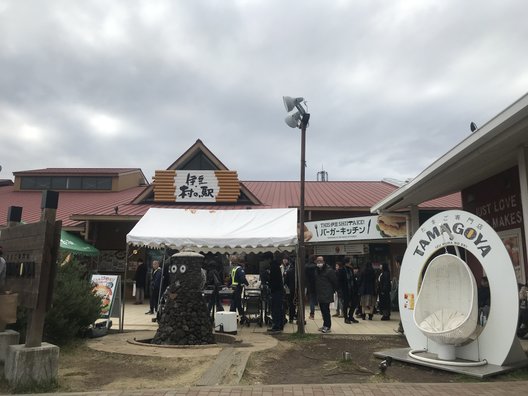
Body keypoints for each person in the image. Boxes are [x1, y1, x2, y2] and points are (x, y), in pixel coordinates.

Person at [314, 256, 337, 333]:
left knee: (326, 310)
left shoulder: (329, 270)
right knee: (323, 310)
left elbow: (334, 281)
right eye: (317, 261)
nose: (319, 263)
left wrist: (333, 291)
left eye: (320, 261)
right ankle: (325, 325)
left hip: (327, 293)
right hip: (320, 293)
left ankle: (327, 326)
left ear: (324, 262)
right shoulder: (317, 270)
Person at [266, 252, 284, 333]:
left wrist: (268, 283)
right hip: (278, 290)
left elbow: (273, 280)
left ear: (269, 259)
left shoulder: (273, 267)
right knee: (278, 309)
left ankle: (276, 326)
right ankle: (278, 325)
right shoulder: (276, 266)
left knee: (275, 309)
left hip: (276, 291)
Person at [229, 257, 249, 324]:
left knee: (234, 303)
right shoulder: (240, 269)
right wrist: (247, 284)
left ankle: (232, 317)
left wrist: (228, 286)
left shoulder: (234, 269)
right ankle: (242, 316)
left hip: (233, 288)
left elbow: (231, 279)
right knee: (237, 303)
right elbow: (242, 278)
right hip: (238, 288)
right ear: (241, 263)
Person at [282, 255, 296, 323]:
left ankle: (291, 318)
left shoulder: (289, 271)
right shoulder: (300, 271)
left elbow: (285, 282)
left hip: (291, 289)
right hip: (299, 290)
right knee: (299, 304)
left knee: (291, 304)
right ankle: (300, 318)